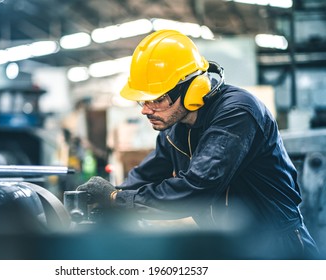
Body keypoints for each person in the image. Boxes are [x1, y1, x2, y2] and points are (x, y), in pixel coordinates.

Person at [77, 29, 319, 258]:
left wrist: (116, 199)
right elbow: (146, 175)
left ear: (192, 89)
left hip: (277, 247)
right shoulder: (176, 127)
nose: (145, 110)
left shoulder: (237, 113)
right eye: (142, 100)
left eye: (156, 99)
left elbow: (196, 189)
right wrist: (106, 196)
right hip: (227, 244)